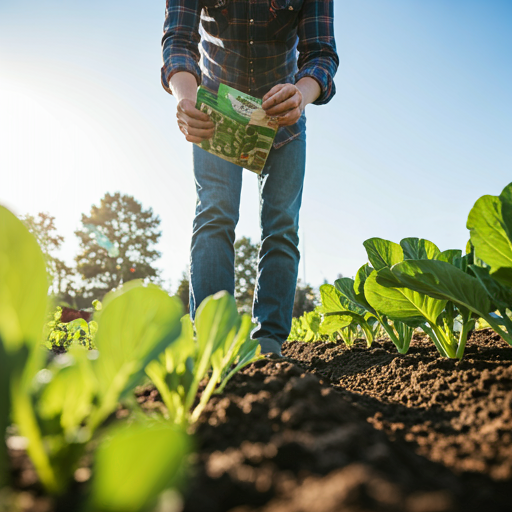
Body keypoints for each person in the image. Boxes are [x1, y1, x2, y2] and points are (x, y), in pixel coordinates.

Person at [161, 0, 338, 356]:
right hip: (214, 112)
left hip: (282, 120)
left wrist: (300, 97)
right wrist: (185, 98)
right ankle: (215, 343)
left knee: (282, 225)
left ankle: (269, 344)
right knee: (214, 215)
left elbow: (321, 54)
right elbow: (179, 41)